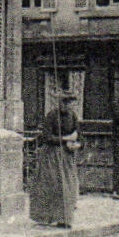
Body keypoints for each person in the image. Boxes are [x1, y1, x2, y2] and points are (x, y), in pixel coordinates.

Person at [30, 90, 82, 228]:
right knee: (54, 185)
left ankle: (64, 219)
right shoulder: (52, 116)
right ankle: (48, 217)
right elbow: (47, 137)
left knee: (68, 186)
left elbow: (78, 134)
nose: (67, 105)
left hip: (67, 156)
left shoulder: (73, 116)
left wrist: (77, 144)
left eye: (70, 102)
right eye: (64, 102)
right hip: (52, 156)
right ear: (60, 103)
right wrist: (65, 139)